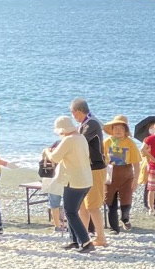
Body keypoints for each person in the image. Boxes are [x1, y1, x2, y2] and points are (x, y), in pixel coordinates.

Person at [42, 116, 96, 254]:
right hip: (85, 180)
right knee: (72, 211)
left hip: (74, 181)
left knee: (70, 212)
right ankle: (74, 240)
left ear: (62, 130)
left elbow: (54, 158)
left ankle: (86, 242)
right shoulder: (81, 138)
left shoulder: (68, 140)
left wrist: (47, 151)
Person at [70, 97, 108, 248]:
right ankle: (84, 236)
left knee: (93, 205)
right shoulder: (84, 123)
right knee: (83, 206)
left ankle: (101, 238)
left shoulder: (91, 123)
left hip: (95, 168)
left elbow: (80, 142)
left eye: (72, 113)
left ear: (78, 112)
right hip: (86, 168)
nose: (73, 116)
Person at [103, 115, 142, 233]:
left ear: (126, 130)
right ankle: (114, 228)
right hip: (110, 175)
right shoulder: (107, 142)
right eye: (115, 128)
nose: (118, 130)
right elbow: (101, 160)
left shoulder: (130, 143)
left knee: (126, 201)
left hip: (126, 175)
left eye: (121, 128)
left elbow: (136, 163)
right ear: (112, 129)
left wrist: (136, 179)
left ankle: (125, 219)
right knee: (110, 203)